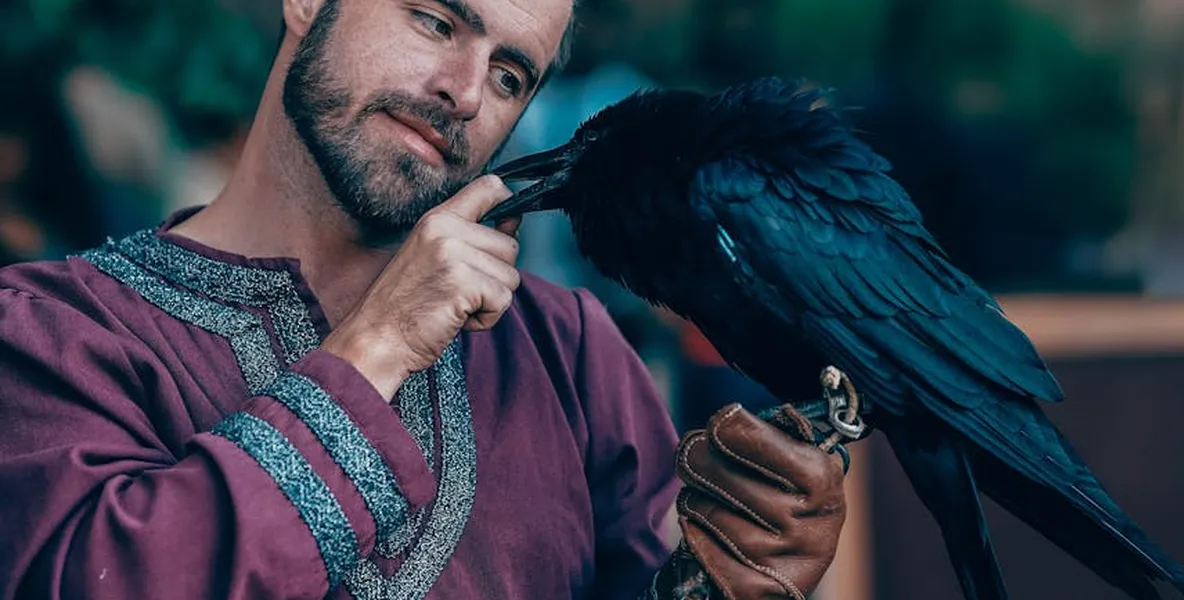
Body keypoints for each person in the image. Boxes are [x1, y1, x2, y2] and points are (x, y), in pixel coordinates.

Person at [0, 0, 849, 598]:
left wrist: (730, 580)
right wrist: (379, 347)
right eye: (438, 21)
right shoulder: (51, 331)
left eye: (513, 75)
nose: (467, 92)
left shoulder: (570, 352)